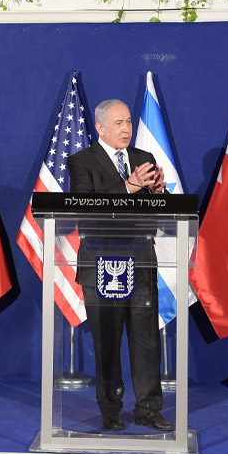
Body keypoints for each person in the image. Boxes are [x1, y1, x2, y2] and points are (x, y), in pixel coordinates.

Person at [67, 99, 172, 432]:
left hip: (141, 261)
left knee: (146, 340)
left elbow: (160, 214)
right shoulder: (81, 162)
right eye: (118, 123)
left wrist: (157, 193)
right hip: (102, 262)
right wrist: (129, 187)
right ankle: (110, 409)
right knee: (107, 340)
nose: (127, 128)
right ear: (100, 128)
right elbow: (87, 208)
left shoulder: (144, 159)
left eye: (128, 122)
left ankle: (149, 409)